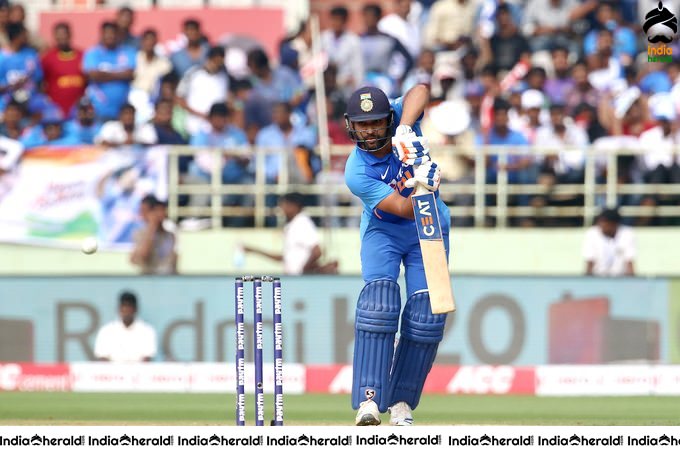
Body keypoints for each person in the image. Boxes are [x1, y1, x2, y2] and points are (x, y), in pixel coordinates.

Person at [343, 84, 448, 426]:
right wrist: (421, 183)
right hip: (385, 231)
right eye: (362, 124)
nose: (370, 130)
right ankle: (370, 401)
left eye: (376, 121)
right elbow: (403, 209)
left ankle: (401, 403)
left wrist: (405, 127)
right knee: (380, 303)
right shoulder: (356, 171)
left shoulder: (401, 119)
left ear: (388, 117)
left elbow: (421, 89)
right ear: (351, 126)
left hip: (429, 227)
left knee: (427, 315)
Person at [243, 192, 338, 275]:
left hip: (300, 281)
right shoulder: (292, 225)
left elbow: (317, 251)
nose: (281, 208)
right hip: (293, 279)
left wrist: (303, 270)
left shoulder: (302, 223)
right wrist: (254, 250)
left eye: (283, 205)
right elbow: (286, 257)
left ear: (294, 206)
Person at [94, 291, 157, 362]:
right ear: (119, 308)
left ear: (136, 309)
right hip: (112, 372)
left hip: (138, 372)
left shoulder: (147, 331)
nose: (126, 310)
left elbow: (147, 358)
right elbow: (102, 358)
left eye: (129, 306)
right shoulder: (106, 331)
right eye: (124, 306)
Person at [130, 195, 178, 275]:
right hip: (149, 281)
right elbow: (142, 257)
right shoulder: (140, 234)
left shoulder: (171, 235)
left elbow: (174, 262)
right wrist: (152, 227)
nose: (142, 215)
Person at [583, 207, 635, 277]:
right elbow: (590, 262)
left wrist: (632, 284)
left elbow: (629, 262)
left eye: (605, 225)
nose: (601, 227)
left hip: (621, 279)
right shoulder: (592, 233)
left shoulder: (627, 234)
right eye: (600, 223)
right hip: (597, 278)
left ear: (614, 225)